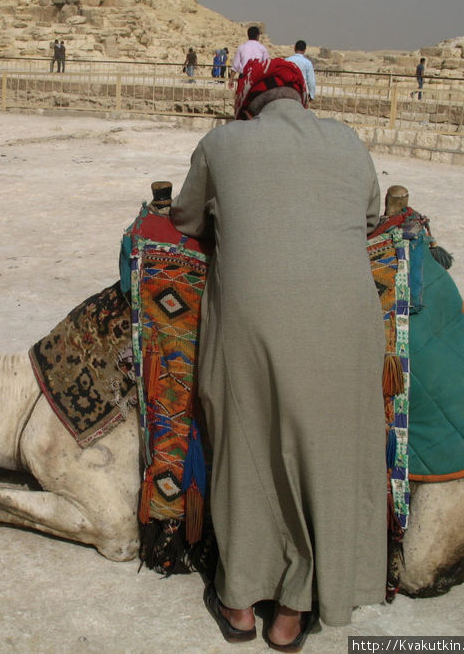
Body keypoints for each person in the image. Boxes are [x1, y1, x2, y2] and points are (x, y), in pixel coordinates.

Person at [171, 58, 385, 650]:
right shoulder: (347, 138)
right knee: (328, 458)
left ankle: (239, 602)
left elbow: (186, 218)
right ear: (303, 97)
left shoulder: (222, 141)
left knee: (248, 448)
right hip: (347, 322)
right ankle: (293, 613)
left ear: (247, 101)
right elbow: (369, 217)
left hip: (254, 322)